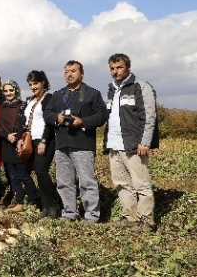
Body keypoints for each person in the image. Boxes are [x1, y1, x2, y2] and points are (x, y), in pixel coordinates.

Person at [44, 60, 108, 223]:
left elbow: (102, 115)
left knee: (87, 181)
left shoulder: (92, 94)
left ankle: (92, 215)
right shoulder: (58, 95)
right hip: (62, 144)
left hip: (83, 143)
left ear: (82, 74)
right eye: (66, 71)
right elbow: (47, 113)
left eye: (73, 71)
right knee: (64, 181)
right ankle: (69, 213)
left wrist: (83, 122)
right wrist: (56, 118)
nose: (69, 74)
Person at [104, 54, 159, 232]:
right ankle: (131, 217)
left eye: (119, 67)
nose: (115, 71)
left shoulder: (140, 87)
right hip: (115, 144)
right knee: (121, 183)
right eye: (112, 68)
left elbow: (149, 116)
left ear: (128, 67)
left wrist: (145, 142)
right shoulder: (112, 89)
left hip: (134, 145)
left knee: (140, 183)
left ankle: (147, 221)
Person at [0, 80, 38, 212]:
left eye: (11, 90)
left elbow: (25, 123)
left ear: (16, 91)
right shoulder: (1, 107)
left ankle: (34, 200)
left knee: (23, 175)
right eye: (6, 91)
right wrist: (6, 135)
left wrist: (17, 135)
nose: (9, 93)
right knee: (13, 176)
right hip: (6, 144)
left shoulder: (22, 106)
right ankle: (19, 202)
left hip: (18, 143)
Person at [24, 70, 60, 218]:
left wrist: (44, 141)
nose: (33, 87)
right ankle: (45, 207)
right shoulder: (30, 101)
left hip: (44, 139)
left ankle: (54, 206)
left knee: (42, 171)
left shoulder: (49, 98)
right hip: (31, 139)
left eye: (36, 83)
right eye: (31, 84)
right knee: (38, 173)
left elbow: (50, 122)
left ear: (43, 82)